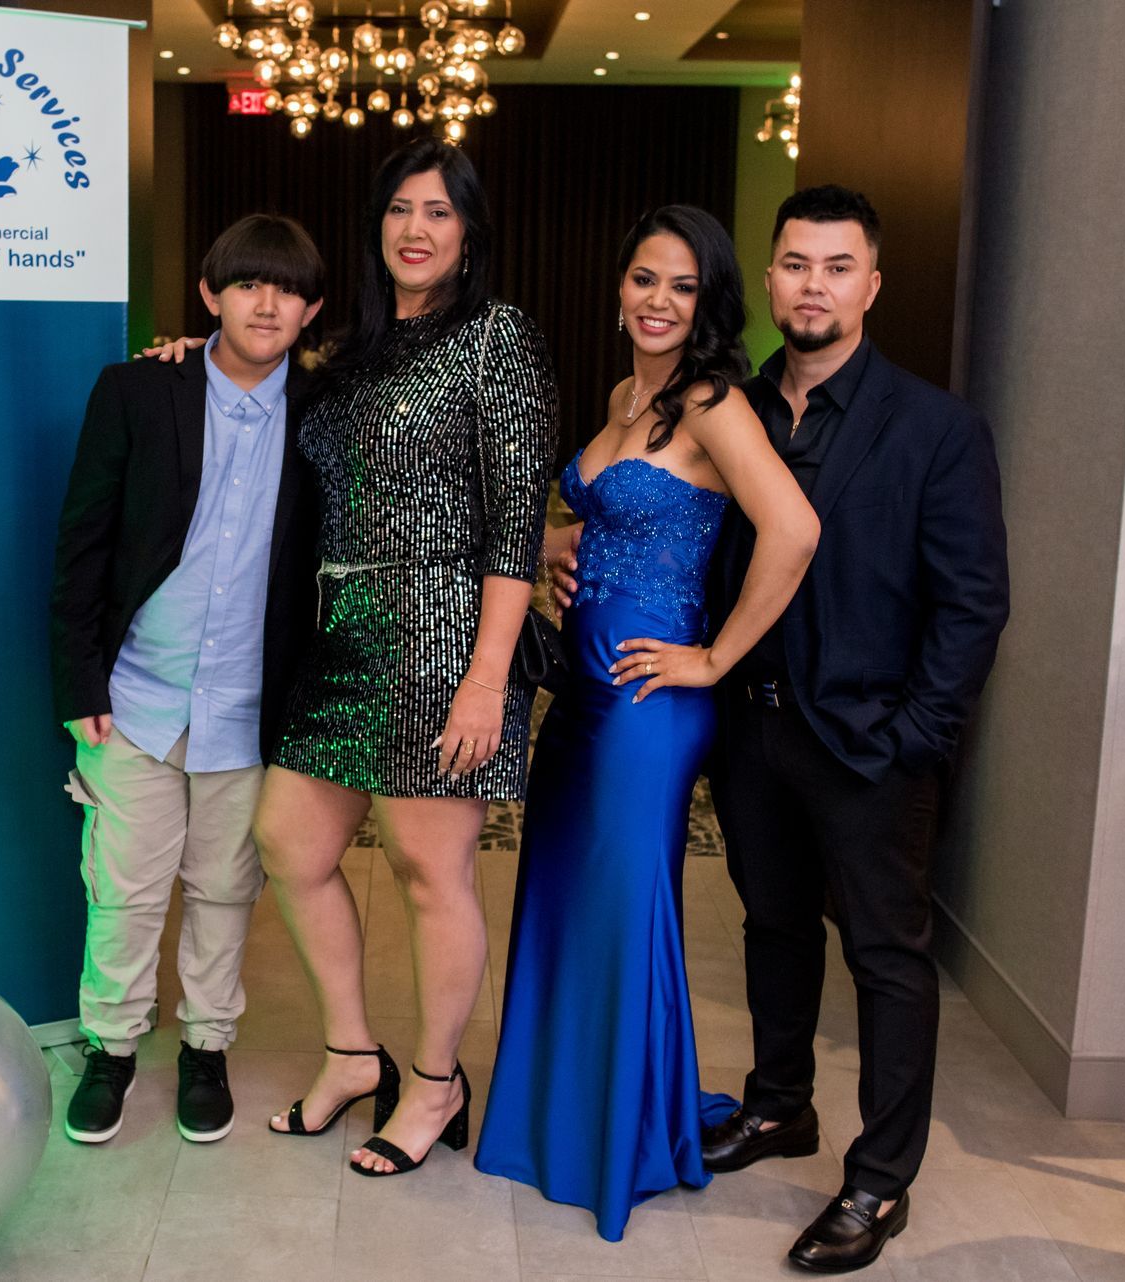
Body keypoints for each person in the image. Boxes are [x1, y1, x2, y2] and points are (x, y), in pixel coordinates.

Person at [475, 206, 820, 1239]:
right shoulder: (630, 393)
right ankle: (562, 1111)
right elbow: (600, 509)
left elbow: (794, 529)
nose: (656, 300)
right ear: (619, 287)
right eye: (642, 279)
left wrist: (714, 656)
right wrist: (552, 545)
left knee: (625, 911)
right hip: (580, 698)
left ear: (707, 300)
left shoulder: (713, 401)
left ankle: (618, 1137)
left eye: (679, 285)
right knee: (562, 893)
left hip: (648, 703)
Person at [697, 185, 1008, 1273]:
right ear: (769, 276)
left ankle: (880, 1181)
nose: (812, 285)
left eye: (836, 266)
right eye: (794, 264)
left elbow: (973, 603)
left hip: (872, 744)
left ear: (871, 284)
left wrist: (916, 734)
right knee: (772, 929)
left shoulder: (936, 428)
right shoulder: (728, 406)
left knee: (886, 956)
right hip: (751, 731)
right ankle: (782, 1106)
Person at [253, 138, 555, 1179]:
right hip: (340, 632)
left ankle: (434, 1082)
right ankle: (350, 1052)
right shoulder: (349, 350)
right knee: (290, 843)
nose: (415, 229)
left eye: (438, 211)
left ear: (469, 233)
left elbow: (517, 525)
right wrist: (186, 357)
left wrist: (487, 679)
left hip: (441, 631)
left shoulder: (497, 338)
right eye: (399, 210)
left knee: (432, 871)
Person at [47, 214, 325, 1146]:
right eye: (247, 283)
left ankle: (207, 1046)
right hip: (136, 699)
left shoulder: (326, 412)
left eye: (286, 289)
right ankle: (112, 1047)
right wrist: (77, 678)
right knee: (124, 890)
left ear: (311, 310)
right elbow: (82, 544)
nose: (266, 301)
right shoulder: (138, 389)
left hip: (252, 710)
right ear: (211, 295)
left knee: (222, 889)